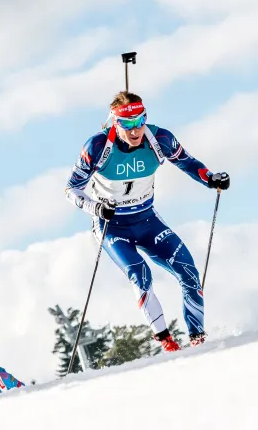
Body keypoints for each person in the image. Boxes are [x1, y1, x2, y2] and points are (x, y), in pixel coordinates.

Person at [64, 91, 230, 352]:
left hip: (147, 220)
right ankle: (167, 342)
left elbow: (187, 162)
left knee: (188, 270)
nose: (135, 129)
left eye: (140, 121)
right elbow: (72, 189)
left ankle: (198, 342)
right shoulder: (97, 147)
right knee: (141, 275)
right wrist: (97, 208)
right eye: (127, 124)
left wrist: (211, 179)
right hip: (112, 226)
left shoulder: (159, 138)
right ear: (114, 123)